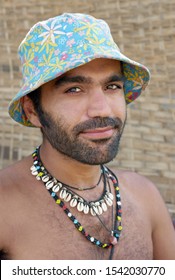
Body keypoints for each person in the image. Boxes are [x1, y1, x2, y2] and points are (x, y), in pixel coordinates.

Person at [0, 13, 175, 260]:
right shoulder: (5, 206)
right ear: (32, 111)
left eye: (112, 87)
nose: (102, 109)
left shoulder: (145, 197)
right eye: (74, 90)